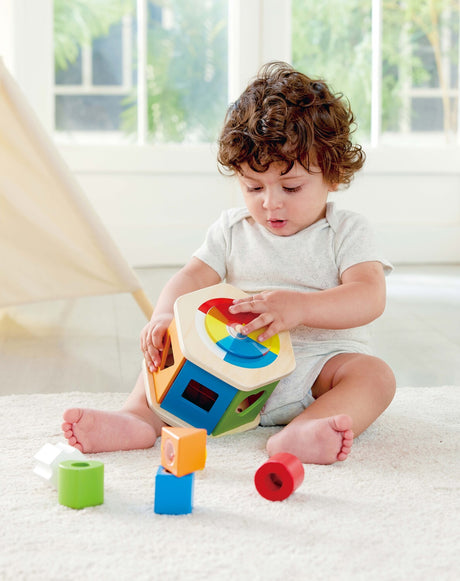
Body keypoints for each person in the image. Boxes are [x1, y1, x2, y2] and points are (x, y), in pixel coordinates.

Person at [62, 62, 396, 465]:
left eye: (290, 187)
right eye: (253, 187)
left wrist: (302, 308)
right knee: (166, 348)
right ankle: (137, 418)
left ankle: (303, 431)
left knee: (376, 376)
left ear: (334, 174)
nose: (270, 202)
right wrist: (165, 314)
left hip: (318, 370)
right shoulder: (233, 229)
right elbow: (191, 275)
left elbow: (369, 296)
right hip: (228, 368)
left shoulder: (346, 231)